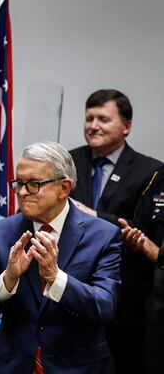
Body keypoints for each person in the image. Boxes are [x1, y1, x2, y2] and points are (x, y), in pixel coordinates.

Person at [0, 141, 122, 374]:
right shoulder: (1, 232)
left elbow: (104, 307)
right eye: (19, 183)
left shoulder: (104, 235)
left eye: (33, 184)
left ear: (64, 187)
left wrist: (56, 278)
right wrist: (8, 279)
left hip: (77, 367)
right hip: (12, 365)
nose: (21, 192)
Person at [68, 89, 162, 372]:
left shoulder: (150, 170)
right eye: (89, 118)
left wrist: (96, 216)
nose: (93, 125)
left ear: (126, 127)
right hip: (73, 293)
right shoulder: (68, 162)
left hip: (124, 301)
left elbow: (145, 233)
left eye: (103, 119)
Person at [117, 168, 164, 374]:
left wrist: (157, 253)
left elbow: (154, 250)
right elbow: (142, 226)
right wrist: (135, 240)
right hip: (157, 309)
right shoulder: (159, 176)